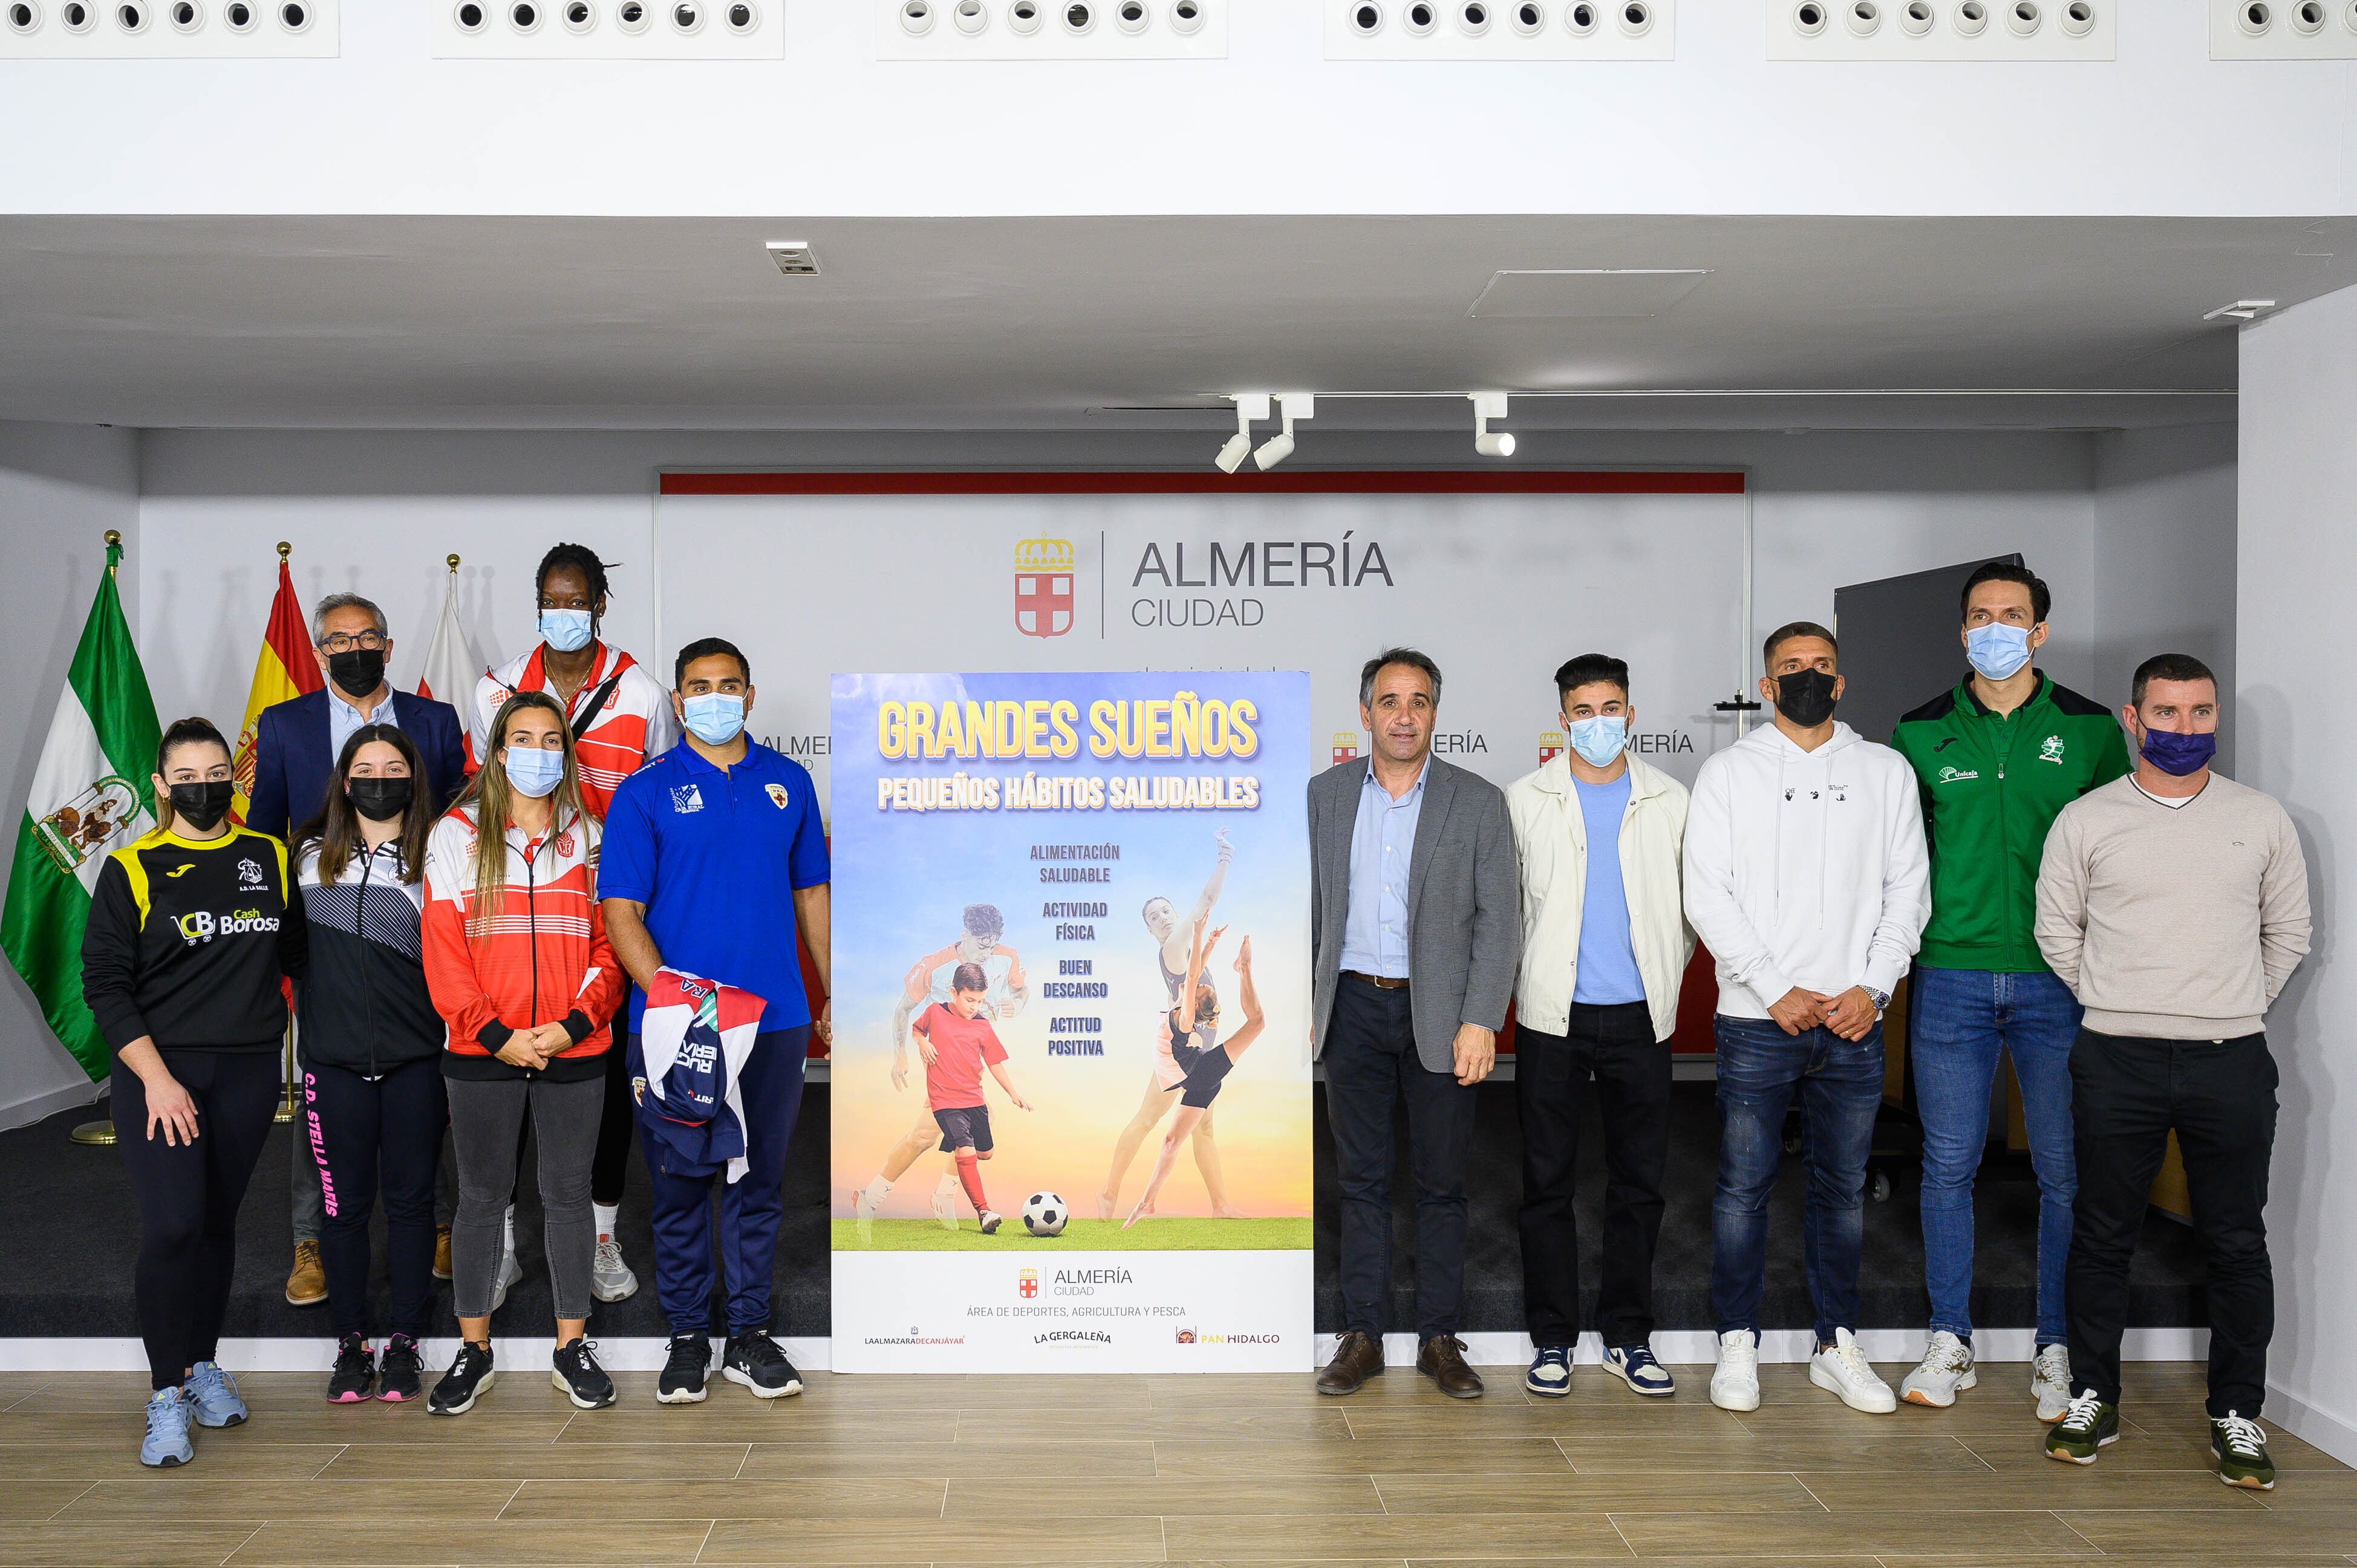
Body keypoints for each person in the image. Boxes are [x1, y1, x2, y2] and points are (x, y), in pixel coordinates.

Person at [2036, 654, 2310, 1488]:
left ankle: (2236, 1412)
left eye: (2199, 713)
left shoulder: (2260, 819)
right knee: (2102, 1233)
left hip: (2229, 1057)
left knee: (2235, 1241)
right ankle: (2093, 1396)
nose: (2183, 728)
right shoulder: (2086, 820)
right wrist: (2125, 1002)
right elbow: (2058, 931)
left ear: (2214, 719)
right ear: (2132, 718)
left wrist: (2217, 1006)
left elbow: (2287, 934)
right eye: (2166, 713)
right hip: (2114, 1055)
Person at [1889, 562, 2131, 1417]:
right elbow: (1902, 860)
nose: (1996, 627)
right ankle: (1948, 1339)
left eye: (2013, 615)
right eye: (1980, 615)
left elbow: (2120, 857)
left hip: (2059, 980)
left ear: (2039, 631)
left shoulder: (2092, 729)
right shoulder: (1918, 731)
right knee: (1947, 1165)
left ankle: (2056, 1346)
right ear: (1962, 632)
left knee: (2065, 1171)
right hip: (1949, 972)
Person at [1684, 620, 1929, 1417]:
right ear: (1765, 685)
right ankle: (1738, 1343)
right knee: (1742, 1188)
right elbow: (1706, 892)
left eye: (1821, 666)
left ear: (1841, 681)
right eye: (1791, 668)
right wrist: (1771, 985)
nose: (1807, 678)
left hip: (1854, 1018)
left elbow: (1907, 892)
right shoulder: (1728, 772)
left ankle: (1834, 1344)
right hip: (1759, 1019)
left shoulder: (1885, 771)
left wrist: (1874, 989)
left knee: (1843, 1190)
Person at [601, 638, 831, 1405]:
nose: (714, 697)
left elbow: (813, 900)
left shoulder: (789, 783)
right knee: (679, 1183)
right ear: (677, 701)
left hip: (773, 1021)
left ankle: (749, 1335)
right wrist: (671, 1001)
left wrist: (833, 993)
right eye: (699, 686)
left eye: (729, 685)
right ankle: (688, 1338)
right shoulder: (644, 792)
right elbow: (621, 912)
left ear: (751, 695)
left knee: (758, 1180)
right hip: (677, 1026)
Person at [80, 717, 307, 1467]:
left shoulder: (268, 858)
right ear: (160, 785)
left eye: (217, 773)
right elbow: (106, 987)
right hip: (159, 1073)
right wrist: (157, 1080)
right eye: (186, 777)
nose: (204, 787)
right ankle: (164, 1393)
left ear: (233, 779)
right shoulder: (133, 868)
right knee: (173, 1225)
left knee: (214, 1223)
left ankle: (204, 1362)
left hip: (247, 1071)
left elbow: (300, 959)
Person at [464, 544, 679, 1309]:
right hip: (507, 900)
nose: (564, 612)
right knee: (504, 1076)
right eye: (551, 599)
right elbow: (475, 791)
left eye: (577, 599)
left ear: (599, 605)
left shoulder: (642, 692)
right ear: (538, 603)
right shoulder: (493, 689)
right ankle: (504, 1243)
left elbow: (658, 797)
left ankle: (598, 1237)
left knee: (599, 1083)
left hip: (603, 902)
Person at [245, 592, 466, 1313]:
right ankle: (311, 1238)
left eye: (368, 635)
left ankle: (435, 1222)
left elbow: (458, 822)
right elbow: (267, 838)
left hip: (415, 943)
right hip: (324, 941)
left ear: (390, 645)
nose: (355, 647)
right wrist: (292, 957)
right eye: (338, 639)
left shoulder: (433, 722)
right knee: (325, 1087)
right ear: (319, 650)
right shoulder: (283, 725)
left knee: (422, 1091)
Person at [1309, 648, 1518, 1400]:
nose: (1404, 715)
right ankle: (1362, 1335)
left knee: (1441, 1184)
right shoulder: (1324, 795)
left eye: (1419, 702)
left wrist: (1479, 1018)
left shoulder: (1478, 801)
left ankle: (1439, 1338)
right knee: (1360, 1181)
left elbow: (1501, 922)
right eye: (1390, 702)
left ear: (1436, 712)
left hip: (1440, 1011)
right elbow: (1308, 908)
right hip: (1352, 1008)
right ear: (1364, 713)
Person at [422, 691, 626, 1416]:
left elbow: (612, 947)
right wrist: (494, 1034)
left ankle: (571, 1349)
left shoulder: (595, 835)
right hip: (483, 1049)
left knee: (568, 1194)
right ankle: (473, 1351)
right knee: (480, 1197)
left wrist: (573, 1024)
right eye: (523, 738)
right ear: (499, 751)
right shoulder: (455, 834)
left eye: (552, 739)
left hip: (575, 1044)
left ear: (566, 754)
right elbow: (443, 953)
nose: (538, 751)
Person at [1503, 653, 1692, 1400]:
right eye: (1583, 711)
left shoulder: (1671, 799)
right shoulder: (1525, 800)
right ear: (1562, 719)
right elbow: (1509, 909)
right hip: (1553, 1016)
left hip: (1642, 1018)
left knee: (1640, 1183)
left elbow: (1687, 910)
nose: (1598, 723)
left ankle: (1627, 1335)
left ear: (1631, 715)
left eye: (1610, 708)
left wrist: (1663, 973)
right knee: (1545, 1182)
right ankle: (1553, 1338)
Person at [292, 725, 446, 1404]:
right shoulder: (304, 855)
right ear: (343, 779)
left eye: (393, 766)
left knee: (413, 1206)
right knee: (343, 1210)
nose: (379, 777)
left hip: (418, 1064)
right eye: (365, 766)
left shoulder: (438, 853)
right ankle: (351, 1344)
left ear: (413, 776)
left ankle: (407, 1340)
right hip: (333, 1066)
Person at [1098, 833, 1246, 1222]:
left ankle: (1221, 1206)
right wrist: (1225, 857)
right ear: (1151, 930)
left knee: (1205, 1130)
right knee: (1148, 1118)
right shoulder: (1171, 948)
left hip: (1200, 1052)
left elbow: (1188, 990)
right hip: (1184, 1057)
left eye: (1166, 911)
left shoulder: (1183, 952)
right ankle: (1109, 1194)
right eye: (1154, 917)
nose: (1163, 917)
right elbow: (1207, 902)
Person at [859, 903, 1028, 1235]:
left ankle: (874, 1194)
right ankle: (946, 1197)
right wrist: (902, 1054)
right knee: (964, 1126)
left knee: (924, 1136)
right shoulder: (934, 966)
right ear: (964, 935)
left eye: (992, 943)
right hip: (943, 1064)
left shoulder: (1007, 957)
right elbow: (903, 1011)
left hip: (970, 1060)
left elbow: (1023, 992)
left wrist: (1017, 1004)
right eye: (981, 942)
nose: (987, 950)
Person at [1123, 920, 1264, 1228]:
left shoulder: (1186, 1017)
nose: (1199, 981)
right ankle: (1147, 1204)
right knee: (1171, 1143)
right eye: (1201, 983)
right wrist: (1211, 945)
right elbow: (1195, 971)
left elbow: (1191, 972)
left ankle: (1245, 968)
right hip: (1199, 1080)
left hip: (1202, 1073)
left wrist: (1199, 934)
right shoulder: (1182, 1003)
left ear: (1195, 1002)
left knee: (1257, 1022)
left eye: (1200, 987)